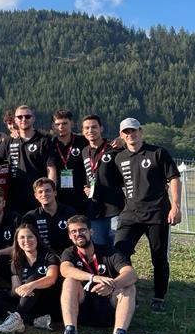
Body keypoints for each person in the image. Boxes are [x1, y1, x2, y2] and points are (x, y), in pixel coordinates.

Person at [113, 118, 181, 312]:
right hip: (131, 214)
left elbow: (174, 178)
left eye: (133, 131)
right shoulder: (119, 158)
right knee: (119, 252)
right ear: (121, 135)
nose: (130, 135)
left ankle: (159, 297)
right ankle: (126, 291)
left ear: (140, 131)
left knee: (158, 257)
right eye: (126, 132)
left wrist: (176, 206)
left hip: (157, 213)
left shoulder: (157, 153)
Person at [58, 215, 137, 334]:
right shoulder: (69, 252)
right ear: (70, 236)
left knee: (129, 286)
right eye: (74, 232)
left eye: (82, 230)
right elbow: (65, 270)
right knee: (69, 281)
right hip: (83, 310)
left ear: (91, 232)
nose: (78, 234)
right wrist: (93, 278)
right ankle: (71, 333)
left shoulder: (109, 252)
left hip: (109, 309)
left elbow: (131, 274)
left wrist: (113, 284)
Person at [0, 105, 51, 214]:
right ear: (15, 120)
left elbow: (51, 169)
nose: (23, 119)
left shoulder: (44, 140)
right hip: (15, 196)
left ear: (33, 118)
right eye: (20, 117)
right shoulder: (8, 141)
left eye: (27, 116)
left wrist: (50, 191)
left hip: (37, 194)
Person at [0, 223, 62, 334]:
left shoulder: (49, 256)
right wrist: (22, 290)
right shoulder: (16, 261)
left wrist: (32, 285)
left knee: (33, 278)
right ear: (17, 241)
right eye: (22, 237)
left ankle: (17, 318)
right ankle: (34, 320)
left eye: (30, 236)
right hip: (29, 301)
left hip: (50, 300)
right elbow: (15, 288)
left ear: (37, 238)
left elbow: (52, 278)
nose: (26, 240)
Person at [81, 115, 124, 247]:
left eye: (94, 127)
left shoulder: (114, 148)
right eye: (87, 128)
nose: (90, 130)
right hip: (94, 211)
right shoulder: (84, 151)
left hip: (115, 209)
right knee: (99, 252)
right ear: (82, 131)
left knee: (119, 251)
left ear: (101, 129)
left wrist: (123, 141)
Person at [47, 109, 89, 212]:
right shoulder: (49, 144)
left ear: (72, 124)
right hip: (60, 196)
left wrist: (120, 141)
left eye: (65, 123)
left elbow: (102, 144)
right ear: (53, 126)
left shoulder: (83, 141)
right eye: (58, 124)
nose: (61, 127)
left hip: (82, 194)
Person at [22, 177, 76, 254]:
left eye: (48, 191)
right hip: (44, 258)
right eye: (40, 192)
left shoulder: (69, 212)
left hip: (68, 256)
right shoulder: (30, 217)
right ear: (36, 196)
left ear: (55, 192)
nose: (44, 194)